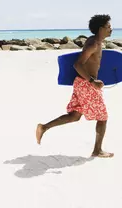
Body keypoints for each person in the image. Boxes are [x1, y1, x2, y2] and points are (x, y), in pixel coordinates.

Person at [36, 14, 114, 158]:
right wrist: (92, 81)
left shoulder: (96, 41)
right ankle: (97, 150)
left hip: (82, 83)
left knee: (75, 115)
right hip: (86, 85)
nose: (111, 29)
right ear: (101, 28)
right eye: (109, 26)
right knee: (102, 117)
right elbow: (77, 64)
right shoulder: (94, 44)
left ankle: (43, 127)